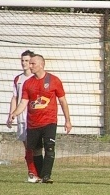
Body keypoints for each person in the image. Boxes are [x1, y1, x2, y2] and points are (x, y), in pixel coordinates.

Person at [7, 54, 72, 184]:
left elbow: (63, 101)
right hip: (33, 123)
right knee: (36, 150)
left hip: (49, 121)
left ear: (41, 65)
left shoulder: (54, 80)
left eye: (32, 64)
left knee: (49, 147)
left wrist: (67, 120)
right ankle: (41, 175)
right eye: (29, 63)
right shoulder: (28, 83)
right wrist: (14, 113)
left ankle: (46, 176)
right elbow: (23, 102)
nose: (30, 66)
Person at [6, 50, 42, 182]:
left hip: (34, 116)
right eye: (22, 60)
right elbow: (15, 97)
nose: (24, 63)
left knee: (35, 146)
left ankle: (37, 172)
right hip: (21, 116)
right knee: (27, 147)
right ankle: (32, 173)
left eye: (27, 61)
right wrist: (11, 114)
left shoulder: (36, 79)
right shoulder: (18, 79)